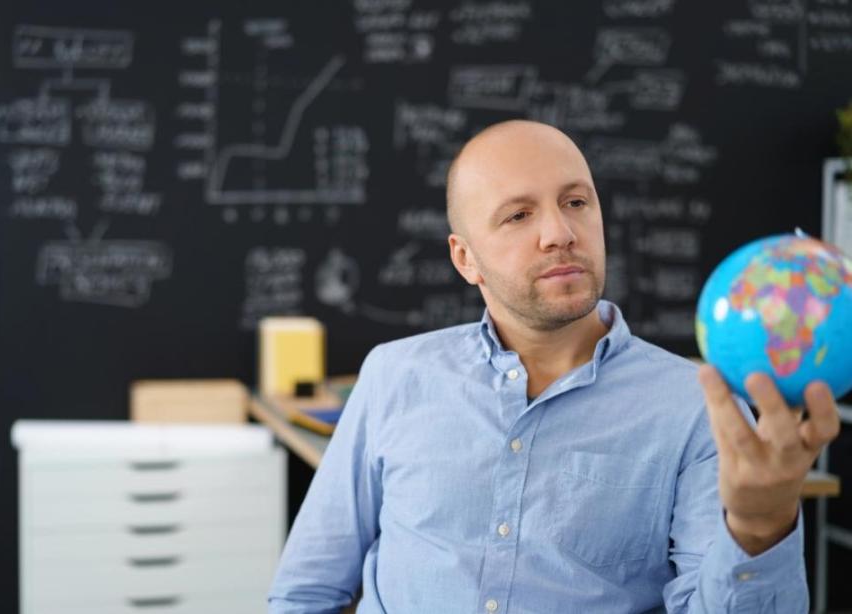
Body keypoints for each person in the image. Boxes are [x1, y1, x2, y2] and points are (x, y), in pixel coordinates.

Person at [268, 120, 839, 613]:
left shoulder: (694, 408)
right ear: (466, 258)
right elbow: (307, 591)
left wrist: (761, 526)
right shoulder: (395, 375)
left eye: (576, 202)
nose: (560, 234)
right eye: (518, 215)